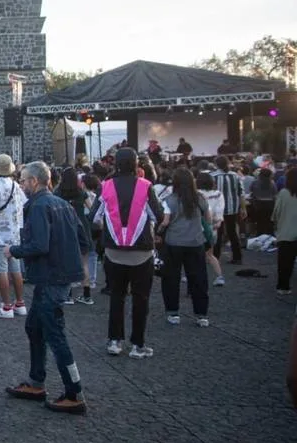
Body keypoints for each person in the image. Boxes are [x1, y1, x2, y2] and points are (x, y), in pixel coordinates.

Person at [3, 161, 89, 414]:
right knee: (34, 327)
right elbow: (83, 240)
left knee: (55, 334)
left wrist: (14, 250)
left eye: (23, 180)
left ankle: (75, 392)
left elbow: (39, 244)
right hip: (57, 276)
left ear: (35, 182)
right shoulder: (62, 204)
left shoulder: (40, 206)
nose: (21, 185)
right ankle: (36, 381)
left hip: (51, 277)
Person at [92, 148, 164, 359]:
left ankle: (115, 341)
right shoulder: (145, 186)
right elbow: (157, 215)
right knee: (141, 299)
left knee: (117, 296)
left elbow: (95, 218)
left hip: (114, 251)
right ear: (135, 164)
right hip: (141, 251)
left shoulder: (105, 186)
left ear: (115, 164)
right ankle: (137, 344)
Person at [159, 168, 212, 327]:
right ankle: (201, 314)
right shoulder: (200, 199)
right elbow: (208, 219)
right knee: (198, 279)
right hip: (196, 242)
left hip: (174, 243)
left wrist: (158, 230)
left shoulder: (169, 200)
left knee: (171, 279)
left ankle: (173, 312)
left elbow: (165, 222)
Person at [0, 154, 28, 318]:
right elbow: (23, 204)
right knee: (15, 269)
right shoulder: (16, 185)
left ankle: (7, 306)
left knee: (1, 270)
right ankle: (20, 303)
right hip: (14, 234)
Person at [52, 167, 95, 305]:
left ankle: (68, 295)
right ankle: (87, 295)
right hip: (82, 227)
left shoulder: (58, 192)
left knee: (66, 262)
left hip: (66, 228)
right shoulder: (81, 192)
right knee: (84, 263)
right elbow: (92, 209)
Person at [211, 155, 244, 265]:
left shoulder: (213, 176)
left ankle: (215, 257)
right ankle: (237, 256)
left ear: (216, 165)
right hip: (232, 208)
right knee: (232, 232)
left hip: (218, 209)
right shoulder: (235, 176)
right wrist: (243, 208)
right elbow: (241, 193)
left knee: (218, 233)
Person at [273, 168, 297, 295]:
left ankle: (283, 287)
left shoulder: (283, 193)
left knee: (284, 263)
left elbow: (276, 212)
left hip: (286, 233)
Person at [249, 168, 278, 236]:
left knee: (260, 224)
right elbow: (275, 195)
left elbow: (251, 191)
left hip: (258, 206)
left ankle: (260, 237)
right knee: (269, 224)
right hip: (270, 206)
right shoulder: (272, 183)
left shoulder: (255, 182)